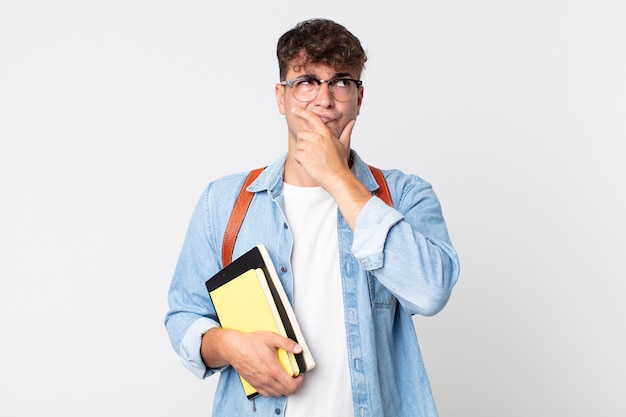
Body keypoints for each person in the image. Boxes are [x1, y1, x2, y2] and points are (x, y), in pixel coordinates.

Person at [165, 18, 460, 417]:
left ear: (359, 97)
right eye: (306, 81)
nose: (324, 99)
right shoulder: (224, 203)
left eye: (340, 81)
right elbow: (184, 316)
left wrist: (338, 178)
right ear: (281, 97)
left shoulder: (404, 195)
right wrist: (229, 346)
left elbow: (430, 292)